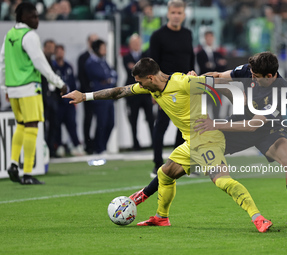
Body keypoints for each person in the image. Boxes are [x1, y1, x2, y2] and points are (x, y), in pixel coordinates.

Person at [63, 57, 272, 232]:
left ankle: (258, 218)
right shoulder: (152, 87)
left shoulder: (183, 83)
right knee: (165, 173)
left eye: (141, 81)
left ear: (151, 77)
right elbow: (120, 91)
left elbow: (221, 85)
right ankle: (161, 217)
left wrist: (243, 105)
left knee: (222, 181)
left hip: (208, 138)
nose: (139, 85)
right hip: (191, 141)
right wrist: (85, 96)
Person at [193, 52, 287, 228]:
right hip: (241, 120)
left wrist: (215, 124)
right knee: (190, 155)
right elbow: (217, 75)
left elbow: (254, 125)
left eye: (255, 76)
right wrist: (193, 81)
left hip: (265, 130)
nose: (251, 77)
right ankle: (151, 200)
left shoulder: (281, 91)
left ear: (269, 76)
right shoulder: (249, 70)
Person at [0, 2, 67, 184]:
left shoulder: (9, 35)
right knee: (31, 127)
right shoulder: (29, 36)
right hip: (29, 87)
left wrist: (5, 87)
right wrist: (59, 82)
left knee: (21, 125)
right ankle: (27, 174)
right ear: (23, 17)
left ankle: (13, 164)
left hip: (13, 89)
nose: (37, 20)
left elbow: (2, 63)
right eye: (33, 17)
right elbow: (40, 63)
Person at [150, 0, 195, 178]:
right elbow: (152, 65)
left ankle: (178, 164)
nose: (176, 16)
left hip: (185, 86)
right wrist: (155, 90)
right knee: (161, 125)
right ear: (168, 14)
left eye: (179, 13)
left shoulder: (188, 34)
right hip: (165, 88)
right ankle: (156, 164)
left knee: (183, 127)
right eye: (173, 12)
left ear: (184, 15)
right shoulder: (158, 36)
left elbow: (190, 59)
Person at [52, 44, 85, 157]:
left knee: (72, 124)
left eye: (62, 51)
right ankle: (59, 146)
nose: (60, 54)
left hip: (69, 102)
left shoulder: (68, 66)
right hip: (58, 101)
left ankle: (76, 145)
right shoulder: (53, 67)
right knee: (57, 125)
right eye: (58, 51)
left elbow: (73, 83)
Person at [85, 39, 117, 154]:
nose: (105, 50)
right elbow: (102, 75)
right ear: (97, 49)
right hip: (99, 98)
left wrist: (108, 79)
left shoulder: (103, 61)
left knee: (111, 123)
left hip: (109, 97)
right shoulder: (91, 62)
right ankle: (98, 148)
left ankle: (102, 146)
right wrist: (108, 78)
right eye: (103, 48)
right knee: (101, 123)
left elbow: (113, 74)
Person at [123, 34, 154, 150]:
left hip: (146, 93)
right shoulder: (126, 57)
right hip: (133, 94)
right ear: (130, 44)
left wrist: (135, 67)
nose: (136, 45)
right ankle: (135, 143)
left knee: (151, 119)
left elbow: (146, 71)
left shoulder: (146, 56)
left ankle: (153, 141)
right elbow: (132, 72)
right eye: (134, 43)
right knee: (133, 119)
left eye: (138, 42)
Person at [77, 33, 98, 154]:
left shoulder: (99, 56)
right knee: (88, 119)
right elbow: (81, 76)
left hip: (98, 93)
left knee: (100, 120)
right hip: (87, 93)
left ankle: (96, 143)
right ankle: (87, 143)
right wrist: (85, 94)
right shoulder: (83, 57)